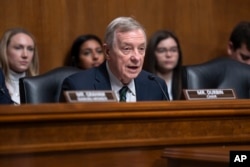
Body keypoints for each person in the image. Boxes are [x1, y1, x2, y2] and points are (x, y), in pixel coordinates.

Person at [61, 16, 169, 102]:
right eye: (127, 49)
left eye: (141, 49)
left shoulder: (156, 86)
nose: (136, 57)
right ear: (108, 51)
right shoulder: (78, 86)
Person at [0, 28, 39, 104]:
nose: (25, 55)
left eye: (30, 49)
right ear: (4, 50)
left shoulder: (40, 86)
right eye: (18, 48)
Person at [143, 30, 183, 100]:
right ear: (152, 54)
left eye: (173, 50)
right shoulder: (142, 80)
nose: (169, 55)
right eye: (162, 50)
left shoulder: (189, 79)